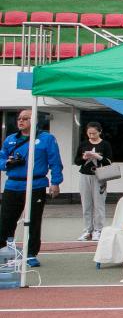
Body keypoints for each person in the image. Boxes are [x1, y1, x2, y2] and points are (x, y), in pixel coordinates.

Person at [0, 110, 64, 267]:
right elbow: (1, 158)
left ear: (34, 120)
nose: (21, 121)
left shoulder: (46, 139)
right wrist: (7, 162)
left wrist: (56, 182)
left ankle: (30, 253)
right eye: (19, 119)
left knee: (34, 220)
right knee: (6, 220)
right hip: (13, 184)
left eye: (25, 118)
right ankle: (4, 250)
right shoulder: (10, 140)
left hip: (36, 185)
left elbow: (55, 162)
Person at [75, 120, 112, 242]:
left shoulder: (105, 144)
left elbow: (109, 162)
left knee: (99, 204)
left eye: (94, 133)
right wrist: (84, 157)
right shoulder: (83, 144)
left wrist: (98, 157)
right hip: (85, 175)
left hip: (99, 176)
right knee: (86, 204)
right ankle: (87, 230)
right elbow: (77, 161)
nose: (91, 136)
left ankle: (98, 229)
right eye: (89, 133)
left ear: (100, 132)